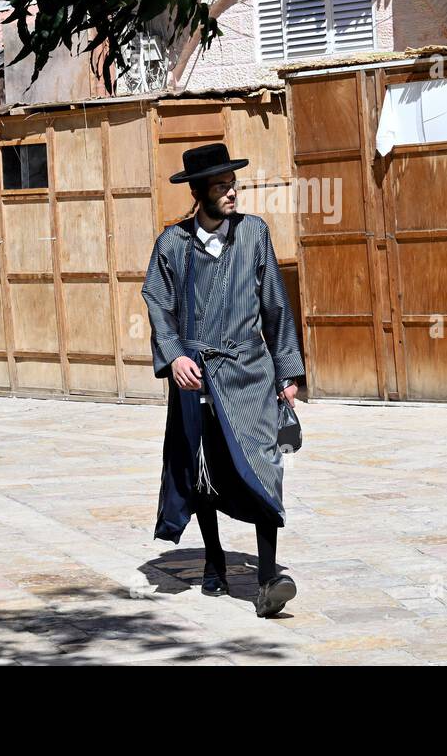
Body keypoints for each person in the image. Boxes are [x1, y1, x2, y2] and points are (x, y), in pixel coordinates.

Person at [143, 142, 304, 617]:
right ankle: (213, 559)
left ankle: (269, 576)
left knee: (262, 464)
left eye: (232, 183)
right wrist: (174, 358)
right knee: (205, 469)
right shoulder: (172, 245)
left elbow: (275, 303)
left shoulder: (254, 233)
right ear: (199, 193)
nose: (231, 192)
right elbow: (157, 301)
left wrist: (287, 371)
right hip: (198, 377)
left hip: (250, 371)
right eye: (220, 186)